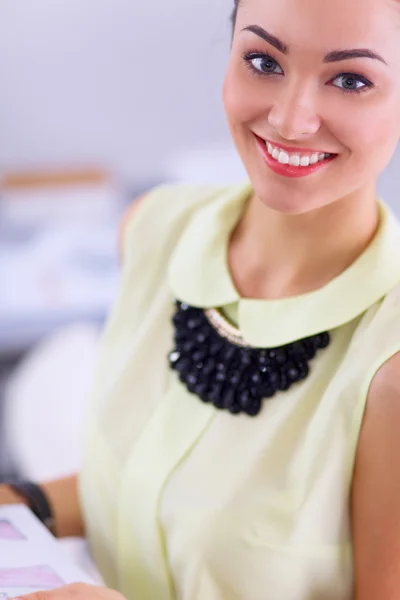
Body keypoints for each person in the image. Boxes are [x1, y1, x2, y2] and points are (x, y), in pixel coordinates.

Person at [2, 0, 400, 598]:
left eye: (351, 80)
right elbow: (156, 488)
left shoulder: (389, 363)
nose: (292, 119)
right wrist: (23, 505)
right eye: (264, 62)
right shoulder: (154, 228)